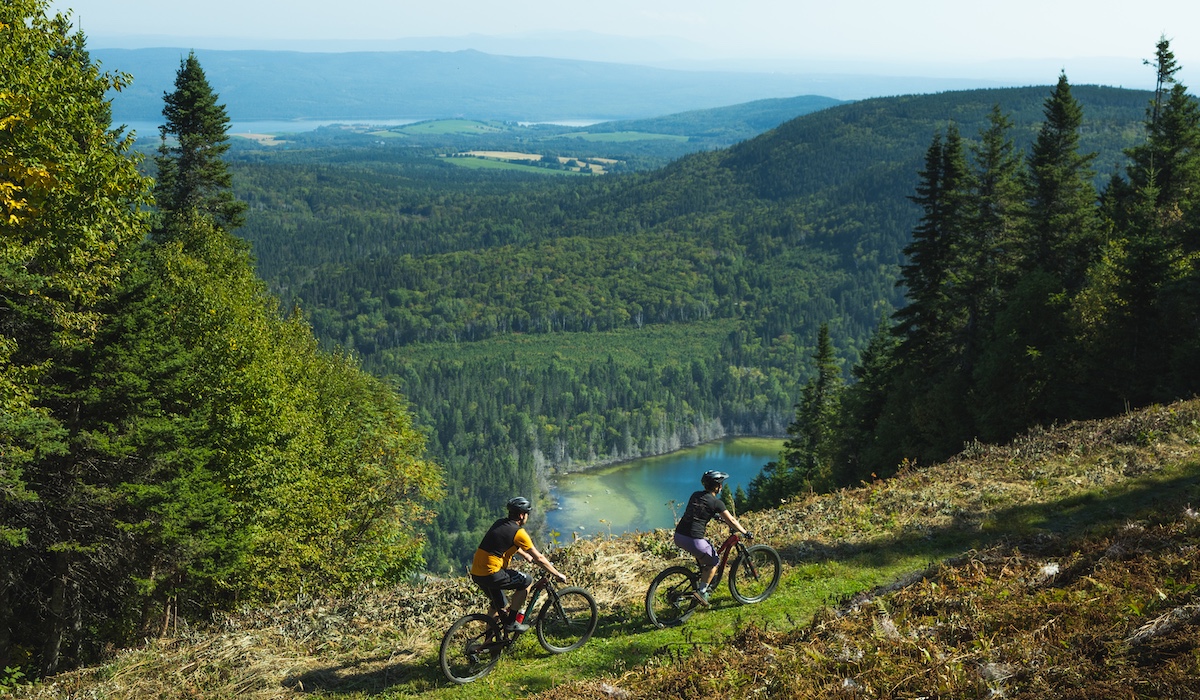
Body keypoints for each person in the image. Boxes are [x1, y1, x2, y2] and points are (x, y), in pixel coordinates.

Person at [470, 496, 567, 632]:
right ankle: (511, 622)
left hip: (477, 573)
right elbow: (539, 557)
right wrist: (556, 574)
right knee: (527, 581)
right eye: (527, 513)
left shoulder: (499, 523)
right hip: (492, 573)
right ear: (522, 515)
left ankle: (490, 644)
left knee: (498, 606)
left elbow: (506, 543)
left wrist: (524, 555)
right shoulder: (519, 532)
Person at [673, 470, 751, 605]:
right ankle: (702, 592)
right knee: (714, 562)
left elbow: (699, 510)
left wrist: (714, 515)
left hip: (679, 536)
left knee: (706, 552)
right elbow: (732, 520)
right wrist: (745, 532)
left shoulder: (696, 495)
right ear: (717, 486)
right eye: (720, 484)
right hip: (694, 540)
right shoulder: (716, 503)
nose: (721, 486)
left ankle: (701, 579)